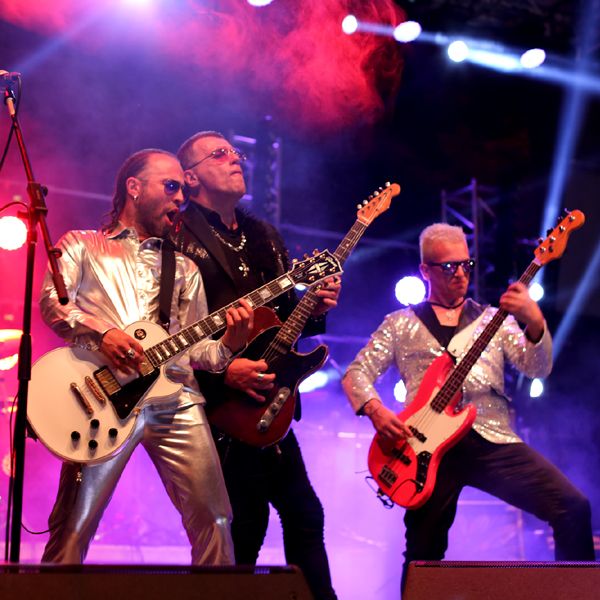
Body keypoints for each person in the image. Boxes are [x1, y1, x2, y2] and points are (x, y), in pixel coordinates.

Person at [342, 222, 595, 593]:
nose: (460, 273)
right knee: (423, 553)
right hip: (425, 450)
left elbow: (537, 367)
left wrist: (535, 320)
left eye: (466, 264)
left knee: (572, 507)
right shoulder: (399, 325)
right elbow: (356, 373)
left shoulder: (494, 319)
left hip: (491, 439)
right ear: (425, 270)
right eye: (448, 267)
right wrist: (376, 410)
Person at [40, 148, 253, 565]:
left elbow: (198, 352)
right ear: (134, 188)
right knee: (74, 526)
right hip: (102, 400)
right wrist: (104, 333)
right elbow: (53, 303)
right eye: (171, 186)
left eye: (183, 191)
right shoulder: (81, 245)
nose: (181, 198)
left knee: (216, 519)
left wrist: (230, 343)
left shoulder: (185, 268)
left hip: (177, 400)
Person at [170, 131, 340, 599]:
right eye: (219, 154)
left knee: (306, 515)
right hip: (216, 406)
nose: (235, 160)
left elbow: (286, 321)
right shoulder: (177, 236)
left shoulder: (264, 235)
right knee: (245, 526)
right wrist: (223, 371)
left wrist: (316, 306)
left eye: (236, 153)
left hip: (269, 400)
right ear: (190, 178)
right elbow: (164, 330)